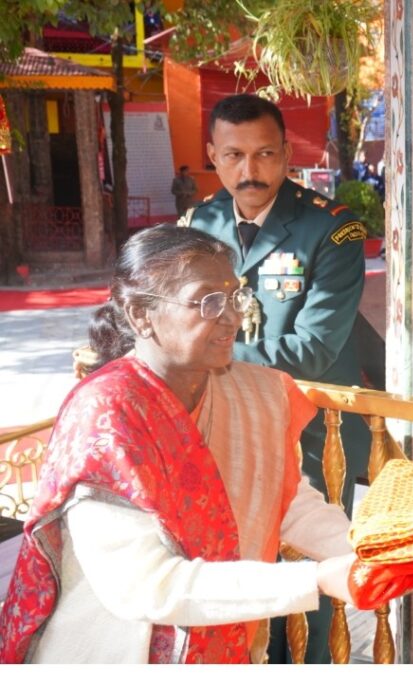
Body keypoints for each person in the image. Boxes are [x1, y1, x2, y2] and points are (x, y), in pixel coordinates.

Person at [0, 226, 356, 664]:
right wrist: (316, 579)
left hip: (225, 641)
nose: (231, 317)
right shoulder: (107, 415)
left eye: (235, 296)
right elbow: (144, 585)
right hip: (113, 649)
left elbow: (287, 502)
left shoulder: (256, 393)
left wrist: (374, 553)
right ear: (140, 315)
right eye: (208, 301)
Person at [179, 93, 370, 664]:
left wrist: (205, 352)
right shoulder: (200, 223)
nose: (249, 171)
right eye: (233, 155)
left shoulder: (332, 229)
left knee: (314, 569)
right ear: (212, 155)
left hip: (311, 430)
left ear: (286, 154)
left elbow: (312, 349)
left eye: (264, 154)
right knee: (239, 558)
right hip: (227, 422)